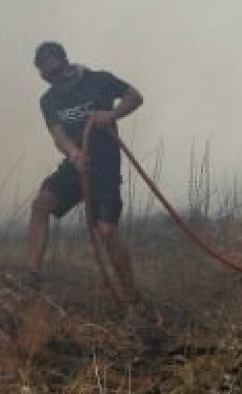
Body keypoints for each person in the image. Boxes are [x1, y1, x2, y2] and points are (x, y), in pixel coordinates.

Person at [27, 41, 145, 307]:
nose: (52, 78)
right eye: (46, 74)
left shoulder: (98, 80)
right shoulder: (48, 100)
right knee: (41, 203)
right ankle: (32, 279)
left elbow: (135, 96)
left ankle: (132, 299)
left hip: (104, 168)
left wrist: (112, 114)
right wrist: (73, 153)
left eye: (54, 70)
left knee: (107, 231)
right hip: (76, 166)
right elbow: (58, 134)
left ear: (64, 62)